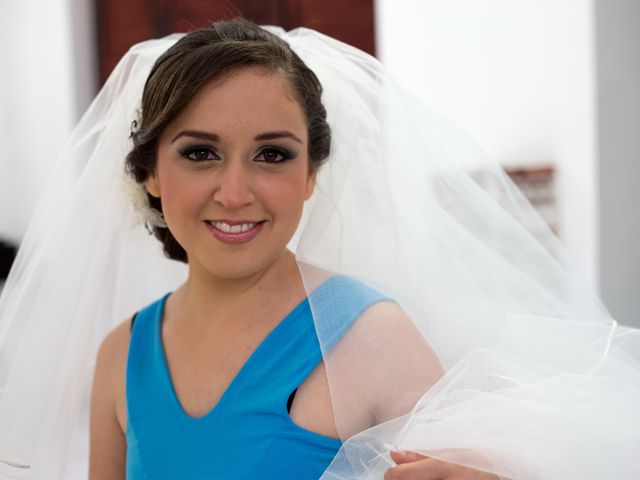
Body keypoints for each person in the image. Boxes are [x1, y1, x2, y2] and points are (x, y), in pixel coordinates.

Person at [1, 17, 639, 480]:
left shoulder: (372, 335)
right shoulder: (122, 353)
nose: (234, 191)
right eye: (199, 153)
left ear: (310, 176)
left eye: (272, 155)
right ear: (150, 173)